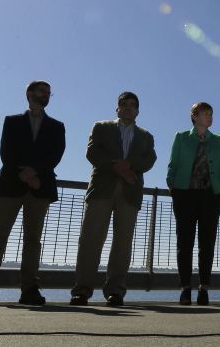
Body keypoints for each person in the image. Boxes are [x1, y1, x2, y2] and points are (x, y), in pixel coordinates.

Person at [0, 80, 66, 306]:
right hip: (10, 185)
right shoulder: (12, 121)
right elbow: (7, 152)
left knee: (33, 240)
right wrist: (25, 174)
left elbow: (55, 154)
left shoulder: (57, 126)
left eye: (48, 92)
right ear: (29, 93)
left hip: (40, 187)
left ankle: (30, 289)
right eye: (41, 90)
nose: (45, 94)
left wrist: (35, 172)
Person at [70, 91, 156, 307]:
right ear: (117, 108)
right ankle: (81, 291)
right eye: (124, 104)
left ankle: (115, 292)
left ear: (138, 110)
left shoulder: (146, 136)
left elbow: (150, 159)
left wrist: (130, 166)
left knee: (123, 244)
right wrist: (116, 166)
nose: (128, 108)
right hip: (101, 190)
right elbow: (92, 152)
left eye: (132, 105)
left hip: (130, 192)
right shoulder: (101, 127)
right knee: (90, 240)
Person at [166, 102, 220, 306]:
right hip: (184, 195)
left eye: (211, 113)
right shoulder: (181, 137)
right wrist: (173, 187)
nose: (209, 117)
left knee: (207, 243)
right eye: (205, 113)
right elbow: (172, 165)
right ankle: (185, 288)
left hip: (211, 196)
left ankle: (204, 289)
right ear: (194, 116)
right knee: (184, 242)